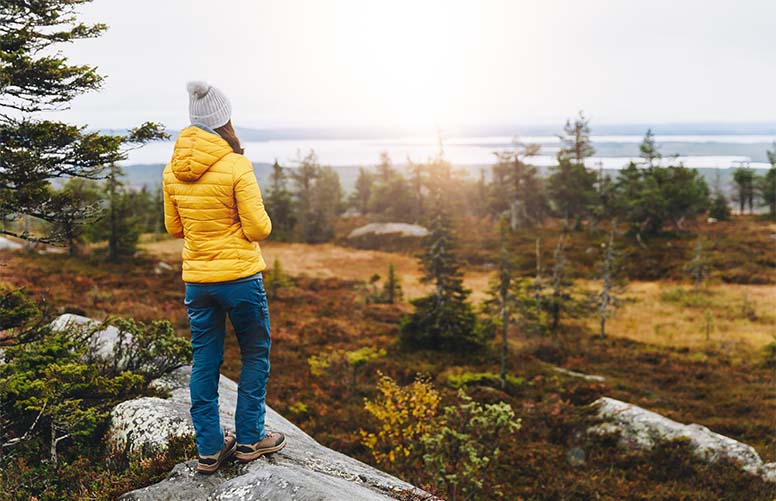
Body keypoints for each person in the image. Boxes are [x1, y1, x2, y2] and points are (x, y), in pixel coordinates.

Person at [162, 81, 285, 474]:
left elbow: (173, 227)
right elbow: (259, 228)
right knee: (254, 352)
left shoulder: (171, 170)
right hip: (240, 279)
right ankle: (249, 439)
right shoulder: (236, 165)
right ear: (224, 120)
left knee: (205, 361)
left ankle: (210, 449)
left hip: (198, 282)